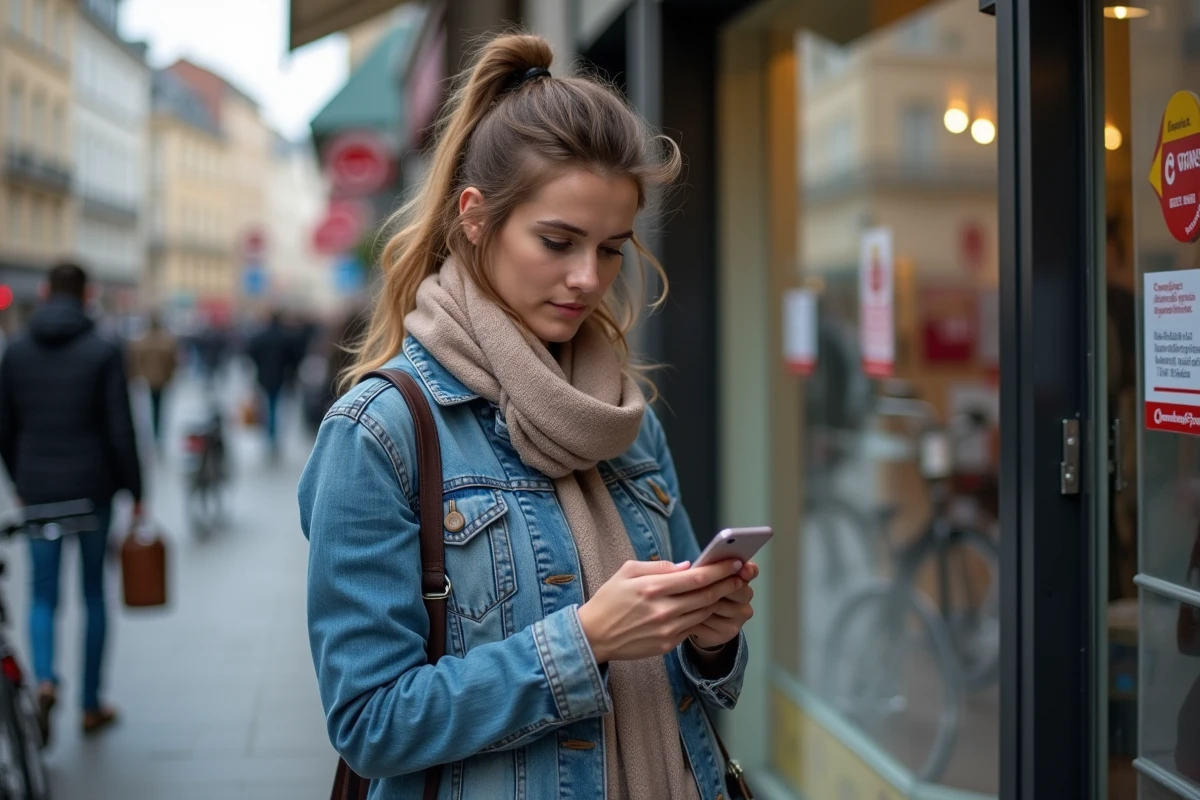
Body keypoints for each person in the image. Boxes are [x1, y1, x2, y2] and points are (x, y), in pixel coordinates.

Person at [299, 34, 757, 800]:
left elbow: (696, 687)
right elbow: (371, 722)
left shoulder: (627, 420)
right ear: (476, 218)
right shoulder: (379, 432)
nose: (588, 278)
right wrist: (584, 642)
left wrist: (711, 640)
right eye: (557, 241)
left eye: (612, 249)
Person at [0, 262, 139, 743]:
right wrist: (137, 493)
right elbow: (121, 429)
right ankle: (90, 704)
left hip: (38, 490)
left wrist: (19, 479)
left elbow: (5, 428)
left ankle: (43, 680)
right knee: (93, 594)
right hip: (92, 491)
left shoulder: (15, 352)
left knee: (42, 594)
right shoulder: (103, 351)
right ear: (87, 296)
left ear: (42, 291)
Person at [246, 310, 299, 459]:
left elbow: (250, 352)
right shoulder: (284, 337)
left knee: (267, 406)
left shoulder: (261, 336)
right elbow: (292, 358)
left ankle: (269, 435)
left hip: (263, 377)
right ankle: (272, 436)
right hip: (279, 377)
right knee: (273, 406)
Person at [129, 312, 178, 449]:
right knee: (159, 406)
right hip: (162, 379)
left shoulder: (141, 341)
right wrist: (170, 376)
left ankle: (154, 432)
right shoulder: (167, 341)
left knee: (152, 406)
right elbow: (173, 361)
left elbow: (136, 361)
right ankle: (157, 433)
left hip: (148, 379)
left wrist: (138, 375)